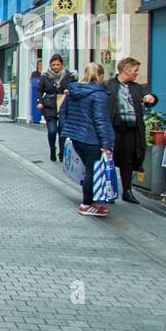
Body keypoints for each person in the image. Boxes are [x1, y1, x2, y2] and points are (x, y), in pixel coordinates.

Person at [59, 62, 114, 218]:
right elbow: (101, 120)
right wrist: (106, 143)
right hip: (92, 138)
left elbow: (64, 112)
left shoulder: (74, 90)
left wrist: (66, 132)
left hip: (76, 137)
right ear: (100, 75)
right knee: (92, 170)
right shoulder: (99, 94)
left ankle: (94, 202)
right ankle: (87, 204)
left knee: (89, 170)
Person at [103, 57, 158, 204]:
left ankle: (127, 190)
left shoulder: (136, 87)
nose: (136, 74)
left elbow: (150, 96)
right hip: (113, 127)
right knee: (109, 158)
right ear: (126, 70)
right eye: (135, 71)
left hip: (131, 129)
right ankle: (108, 189)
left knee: (127, 159)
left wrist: (151, 97)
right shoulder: (108, 85)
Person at [37, 53, 74, 162]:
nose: (56, 67)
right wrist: (40, 102)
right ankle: (52, 149)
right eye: (53, 65)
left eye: (58, 65)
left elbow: (74, 87)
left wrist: (69, 90)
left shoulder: (68, 76)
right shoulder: (45, 76)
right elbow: (39, 90)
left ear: (62, 64)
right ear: (50, 65)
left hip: (63, 106)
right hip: (49, 106)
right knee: (52, 130)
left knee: (63, 131)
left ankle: (62, 152)